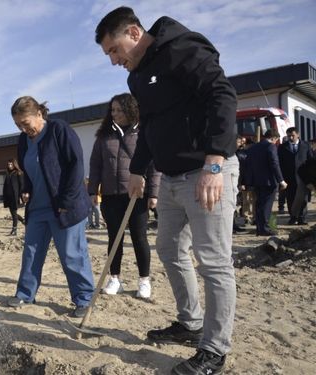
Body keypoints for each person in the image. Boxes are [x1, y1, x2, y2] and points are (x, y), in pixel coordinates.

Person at [95, 7, 239, 374]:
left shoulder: (183, 48)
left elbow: (221, 95)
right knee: (169, 248)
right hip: (172, 177)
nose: (113, 61)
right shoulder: (137, 77)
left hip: (205, 172)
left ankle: (214, 348)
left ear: (132, 32)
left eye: (114, 50)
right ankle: (190, 323)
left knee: (214, 261)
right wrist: (138, 169)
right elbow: (153, 126)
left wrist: (214, 162)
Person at [7, 96, 95, 318]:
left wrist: (67, 201)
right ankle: (25, 293)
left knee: (71, 254)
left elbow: (76, 165)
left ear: (39, 114)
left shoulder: (59, 129)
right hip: (37, 207)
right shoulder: (23, 140)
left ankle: (83, 298)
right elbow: (27, 170)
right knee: (31, 252)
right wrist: (26, 188)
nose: (23, 128)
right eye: (18, 125)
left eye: (25, 123)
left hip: (64, 207)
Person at [88, 93, 160, 299]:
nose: (115, 114)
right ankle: (115, 279)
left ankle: (144, 281)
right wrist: (93, 190)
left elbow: (154, 166)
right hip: (111, 195)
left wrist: (153, 193)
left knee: (139, 238)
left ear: (131, 110)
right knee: (114, 238)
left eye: (119, 110)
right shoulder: (103, 136)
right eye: (112, 110)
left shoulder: (143, 133)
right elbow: (95, 165)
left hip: (136, 196)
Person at [243, 130, 287, 236]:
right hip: (269, 181)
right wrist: (281, 180)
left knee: (259, 205)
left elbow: (248, 165)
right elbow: (274, 164)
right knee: (266, 206)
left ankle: (260, 227)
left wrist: (248, 180)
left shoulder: (253, 147)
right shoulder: (271, 147)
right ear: (274, 138)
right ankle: (265, 229)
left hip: (256, 181)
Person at [278, 127, 313, 225]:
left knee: (303, 198)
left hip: (303, 177)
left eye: (293, 135)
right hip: (289, 177)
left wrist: (310, 177)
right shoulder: (282, 147)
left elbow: (310, 161)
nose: (291, 137)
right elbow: (279, 163)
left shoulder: (305, 145)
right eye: (289, 136)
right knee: (291, 198)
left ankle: (302, 217)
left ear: (298, 135)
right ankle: (293, 217)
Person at [3, 158, 24, 236]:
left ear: (14, 164)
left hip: (15, 197)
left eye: (11, 164)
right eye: (8, 164)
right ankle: (23, 221)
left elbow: (22, 186)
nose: (9, 166)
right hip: (8, 197)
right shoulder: (8, 173)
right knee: (13, 213)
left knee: (14, 213)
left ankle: (14, 230)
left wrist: (21, 197)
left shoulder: (19, 173)